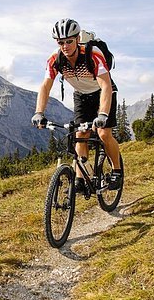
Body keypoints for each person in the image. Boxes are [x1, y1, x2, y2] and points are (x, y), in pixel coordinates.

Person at [31, 18, 122, 192]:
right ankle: (80, 180)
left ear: (77, 39)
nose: (65, 46)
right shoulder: (55, 59)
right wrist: (39, 112)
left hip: (103, 93)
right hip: (81, 95)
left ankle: (117, 171)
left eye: (69, 41)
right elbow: (45, 86)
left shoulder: (93, 54)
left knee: (103, 133)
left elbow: (105, 85)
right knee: (80, 134)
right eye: (61, 42)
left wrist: (102, 114)